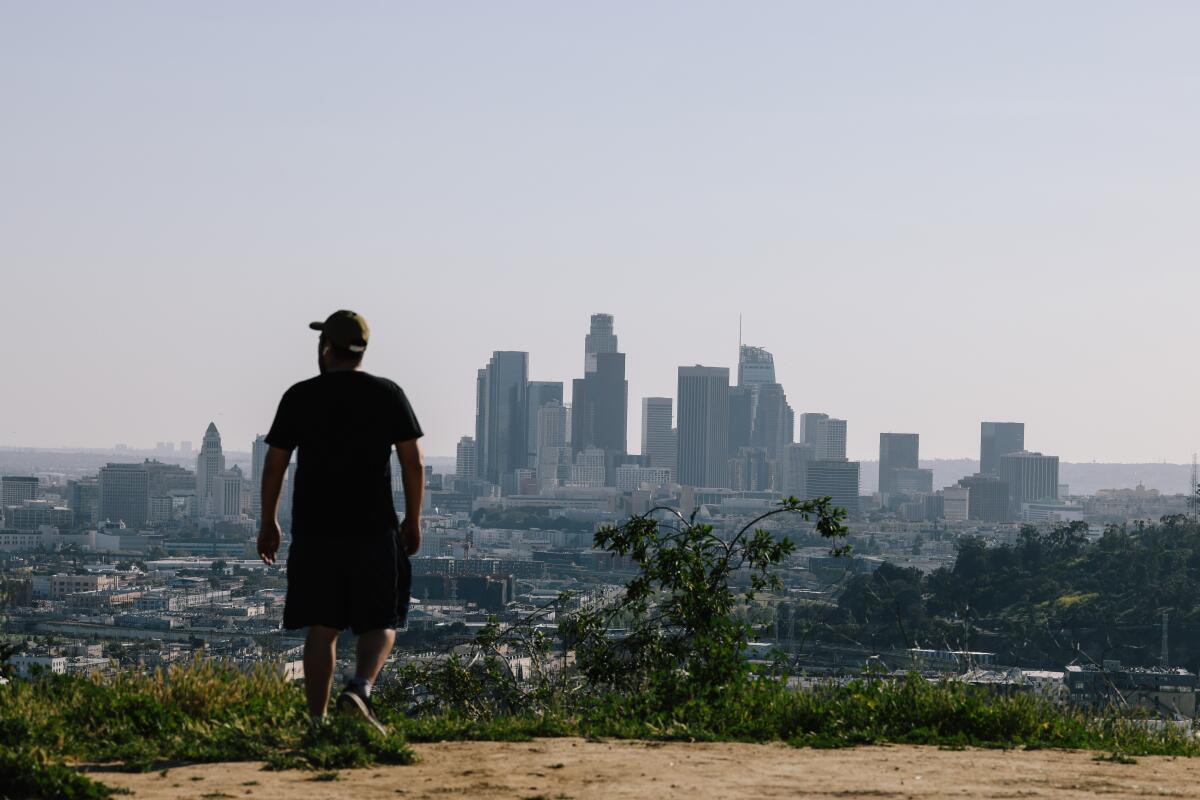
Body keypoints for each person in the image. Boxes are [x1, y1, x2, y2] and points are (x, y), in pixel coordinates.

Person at [257, 309, 424, 733]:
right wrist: (414, 519)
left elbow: (275, 463)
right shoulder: (388, 394)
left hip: (315, 532)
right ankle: (360, 687)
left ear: (326, 348)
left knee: (322, 628)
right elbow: (413, 461)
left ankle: (317, 723)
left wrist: (268, 521)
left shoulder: (300, 396)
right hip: (373, 528)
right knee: (383, 623)